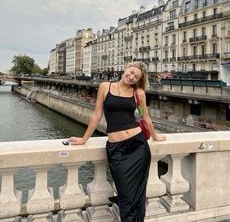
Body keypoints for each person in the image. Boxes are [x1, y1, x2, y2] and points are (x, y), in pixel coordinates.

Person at [68, 61, 166, 222]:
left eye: (136, 76)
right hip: (117, 150)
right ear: (126, 68)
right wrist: (84, 139)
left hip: (138, 146)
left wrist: (155, 136)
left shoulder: (138, 93)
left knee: (138, 194)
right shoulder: (105, 86)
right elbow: (97, 114)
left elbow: (145, 118)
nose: (132, 76)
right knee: (126, 195)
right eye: (131, 72)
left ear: (138, 80)